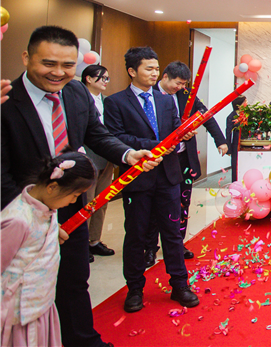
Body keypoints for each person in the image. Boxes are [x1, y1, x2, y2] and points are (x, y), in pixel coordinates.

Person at [1, 26, 159, 347]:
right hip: (21, 214)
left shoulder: (75, 93)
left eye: (68, 65)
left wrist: (128, 154)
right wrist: (34, 221)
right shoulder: (6, 100)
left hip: (71, 206)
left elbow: (96, 134)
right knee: (26, 290)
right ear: (26, 58)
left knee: (74, 279)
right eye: (48, 63)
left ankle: (83, 340)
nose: (58, 73)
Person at [103, 47, 199, 313]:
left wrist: (183, 134)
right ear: (132, 71)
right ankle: (134, 288)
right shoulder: (116, 102)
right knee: (137, 235)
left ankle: (180, 285)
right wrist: (154, 145)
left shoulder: (166, 101)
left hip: (168, 177)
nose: (155, 73)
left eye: (156, 69)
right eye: (149, 68)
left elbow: (174, 129)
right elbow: (116, 137)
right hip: (137, 178)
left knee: (172, 234)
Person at [1, 152, 96, 347]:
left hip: (42, 302)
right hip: (20, 311)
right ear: (52, 187)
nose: (73, 202)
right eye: (74, 196)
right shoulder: (18, 220)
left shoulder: (48, 209)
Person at [142, 62, 228, 266]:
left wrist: (220, 140)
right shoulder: (150, 96)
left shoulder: (186, 95)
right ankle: (150, 248)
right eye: (177, 83)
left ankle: (177, 244)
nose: (180, 88)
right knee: (154, 206)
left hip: (182, 159)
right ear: (165, 77)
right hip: (158, 159)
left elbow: (206, 116)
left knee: (182, 203)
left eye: (183, 84)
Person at [80, 65, 116, 262]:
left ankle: (94, 240)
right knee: (86, 202)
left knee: (102, 200)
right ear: (88, 78)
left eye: (107, 78)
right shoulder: (78, 100)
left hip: (107, 157)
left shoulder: (107, 101)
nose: (105, 82)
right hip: (87, 157)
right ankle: (81, 242)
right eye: (102, 78)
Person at [226, 96, 247, 183]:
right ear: (239, 105)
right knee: (235, 165)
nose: (247, 103)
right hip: (235, 144)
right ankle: (235, 183)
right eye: (245, 102)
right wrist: (228, 149)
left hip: (245, 144)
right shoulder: (231, 116)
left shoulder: (246, 115)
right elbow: (228, 133)